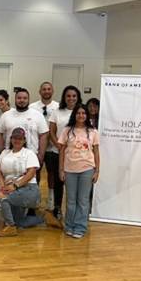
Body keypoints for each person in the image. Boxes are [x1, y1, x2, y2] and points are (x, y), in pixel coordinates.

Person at [0, 128, 60, 237]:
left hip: (29, 189)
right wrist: (1, 184)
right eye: (15, 138)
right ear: (10, 139)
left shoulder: (29, 153)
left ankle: (11, 227)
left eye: (20, 138)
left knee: (0, 196)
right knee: (20, 222)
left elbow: (31, 172)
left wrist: (15, 185)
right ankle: (43, 217)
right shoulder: (5, 153)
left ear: (24, 140)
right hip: (10, 189)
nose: (17, 140)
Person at [59, 105, 100, 239]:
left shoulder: (93, 131)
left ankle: (80, 227)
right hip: (69, 169)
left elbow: (96, 152)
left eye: (83, 113)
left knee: (83, 201)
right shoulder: (67, 130)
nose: (81, 115)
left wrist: (97, 170)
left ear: (87, 116)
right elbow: (62, 151)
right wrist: (61, 169)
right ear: (74, 115)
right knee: (71, 201)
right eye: (78, 113)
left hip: (87, 169)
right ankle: (69, 225)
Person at [47, 85, 82, 218]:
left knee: (74, 183)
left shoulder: (80, 112)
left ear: (77, 97)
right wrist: (59, 146)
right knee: (58, 182)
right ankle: (57, 208)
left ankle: (73, 211)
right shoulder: (57, 112)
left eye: (74, 96)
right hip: (59, 153)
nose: (71, 98)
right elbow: (52, 131)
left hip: (77, 155)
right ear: (64, 97)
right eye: (68, 96)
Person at [0, 87, 48, 168]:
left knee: (32, 180)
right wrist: (2, 151)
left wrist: (41, 155)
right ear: (15, 99)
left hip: (32, 157)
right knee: (9, 180)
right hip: (10, 157)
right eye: (19, 98)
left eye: (25, 98)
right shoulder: (6, 115)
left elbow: (44, 135)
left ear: (28, 99)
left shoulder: (37, 115)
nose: (22, 100)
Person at [30, 81, 61, 210]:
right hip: (36, 145)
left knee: (51, 173)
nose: (46, 91)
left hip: (52, 146)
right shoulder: (32, 107)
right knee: (34, 171)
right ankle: (35, 197)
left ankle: (51, 198)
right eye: (44, 89)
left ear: (52, 91)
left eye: (49, 89)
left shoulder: (59, 107)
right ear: (40, 91)